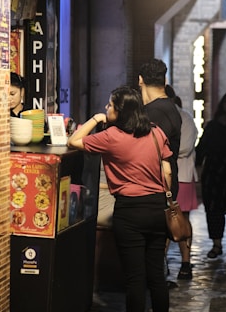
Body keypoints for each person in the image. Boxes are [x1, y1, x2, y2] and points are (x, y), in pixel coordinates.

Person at [67, 85, 172, 312]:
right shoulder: (156, 132)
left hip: (130, 211)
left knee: (135, 278)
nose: (106, 108)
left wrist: (96, 119)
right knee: (156, 274)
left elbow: (73, 141)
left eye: (110, 105)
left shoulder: (111, 137)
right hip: (156, 208)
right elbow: (168, 172)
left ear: (120, 111)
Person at [196, 89, 226, 259]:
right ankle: (216, 245)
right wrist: (198, 168)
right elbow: (202, 148)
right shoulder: (214, 125)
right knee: (214, 209)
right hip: (215, 172)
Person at [165, 85, 198, 280]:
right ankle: (163, 263)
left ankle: (185, 262)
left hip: (183, 175)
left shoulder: (184, 117)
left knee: (181, 219)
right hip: (165, 174)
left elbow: (185, 147)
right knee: (163, 219)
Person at [138, 59, 182, 200]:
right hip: (164, 184)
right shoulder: (169, 107)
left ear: (140, 80)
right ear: (165, 80)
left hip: (155, 187)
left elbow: (149, 153)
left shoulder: (154, 112)